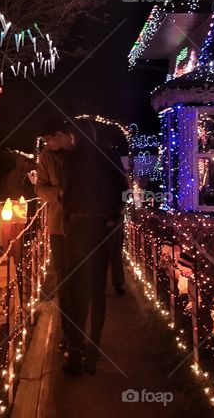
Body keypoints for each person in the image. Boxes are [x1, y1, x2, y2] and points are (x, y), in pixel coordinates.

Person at [46, 118, 127, 376]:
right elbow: (123, 188)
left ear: (75, 136)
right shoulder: (109, 155)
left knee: (76, 290)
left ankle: (76, 350)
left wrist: (69, 214)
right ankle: (93, 351)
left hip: (78, 227)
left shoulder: (71, 159)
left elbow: (66, 194)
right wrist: (114, 215)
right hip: (102, 226)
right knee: (97, 289)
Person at [34, 120, 71, 351]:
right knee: (62, 275)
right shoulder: (46, 157)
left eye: (50, 139)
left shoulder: (77, 152)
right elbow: (40, 188)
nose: (48, 144)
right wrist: (58, 192)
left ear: (60, 134)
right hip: (58, 224)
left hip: (81, 224)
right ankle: (67, 329)